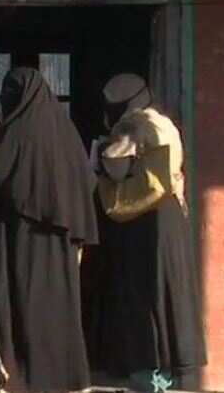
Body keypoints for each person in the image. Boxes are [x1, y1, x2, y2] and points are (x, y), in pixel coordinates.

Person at [0, 67, 99, 393]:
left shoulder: (16, 134)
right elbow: (87, 180)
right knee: (59, 306)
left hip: (22, 240)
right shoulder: (67, 133)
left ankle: (22, 377)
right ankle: (66, 378)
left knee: (22, 305)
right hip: (60, 243)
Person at [88, 73, 206, 392]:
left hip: (143, 217)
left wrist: (99, 154)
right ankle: (182, 368)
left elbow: (114, 164)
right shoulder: (165, 123)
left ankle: (149, 367)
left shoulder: (133, 126)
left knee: (144, 292)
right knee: (172, 289)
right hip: (171, 214)